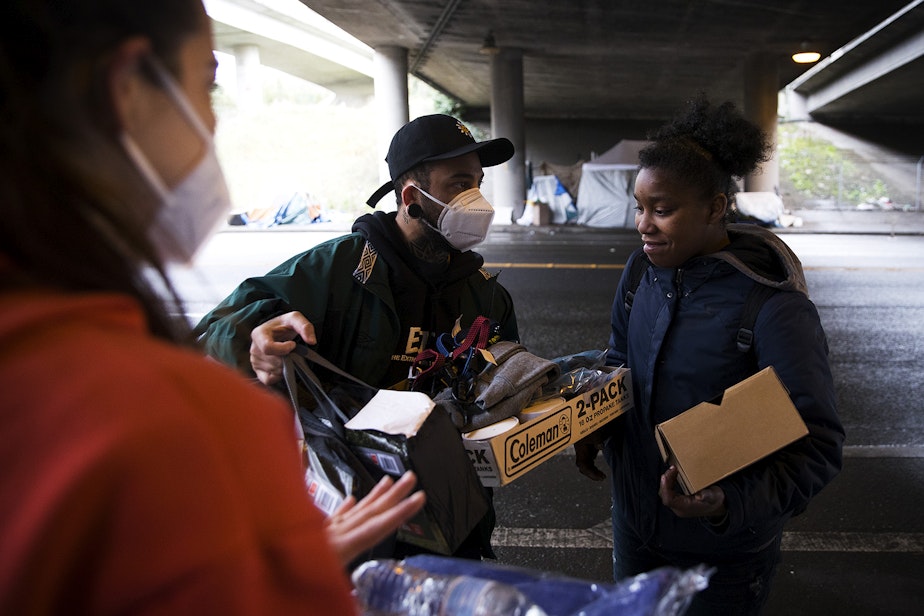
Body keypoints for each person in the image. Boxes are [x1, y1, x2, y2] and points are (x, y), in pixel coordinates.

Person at [0, 1, 425, 614]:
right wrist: (284, 572)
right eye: (206, 85)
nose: (210, 126)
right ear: (127, 90)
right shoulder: (193, 433)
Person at [194, 114, 519, 560]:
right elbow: (217, 330)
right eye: (459, 184)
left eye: (478, 183)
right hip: (351, 519)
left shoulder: (486, 294)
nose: (476, 200)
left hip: (452, 517)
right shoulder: (339, 268)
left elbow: (509, 383)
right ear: (412, 198)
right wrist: (255, 341)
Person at [574, 96, 845, 615]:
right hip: (635, 528)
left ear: (716, 208)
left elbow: (818, 444)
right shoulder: (640, 273)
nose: (643, 225)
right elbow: (619, 362)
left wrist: (726, 504)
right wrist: (594, 423)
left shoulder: (773, 306)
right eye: (639, 206)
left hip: (721, 557)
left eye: (663, 209)